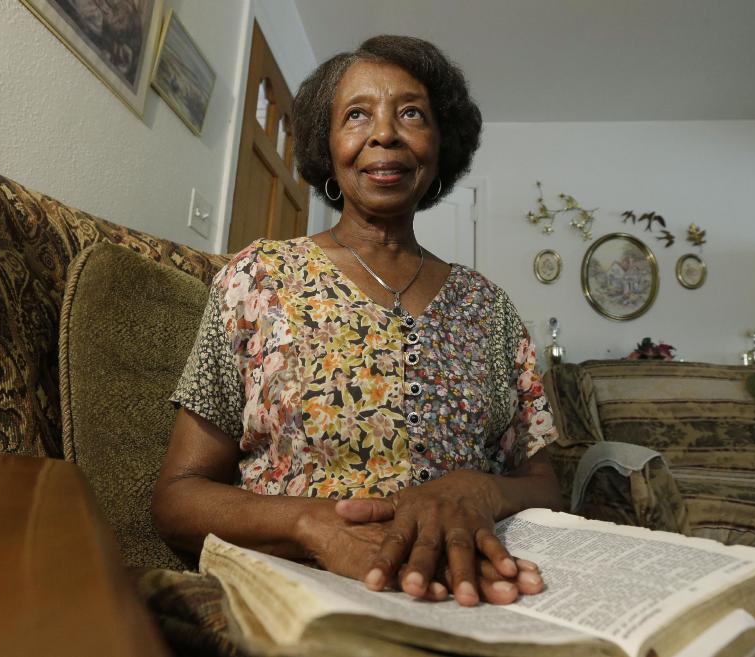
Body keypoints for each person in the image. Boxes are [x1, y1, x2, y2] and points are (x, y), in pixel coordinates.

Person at [152, 35, 563, 608]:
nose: (385, 133)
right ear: (329, 144)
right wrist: (313, 526)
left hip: (466, 596)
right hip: (297, 593)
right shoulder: (259, 279)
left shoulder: (489, 308)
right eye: (357, 115)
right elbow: (177, 497)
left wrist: (475, 489)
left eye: (412, 113)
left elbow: (545, 485)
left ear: (441, 145)